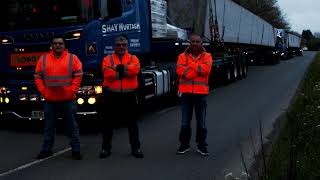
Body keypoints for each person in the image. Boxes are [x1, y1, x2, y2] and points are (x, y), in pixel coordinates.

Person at [34, 35, 83, 160]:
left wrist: (73, 90)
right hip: (50, 100)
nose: (57, 45)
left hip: (68, 99)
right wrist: (43, 91)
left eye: (60, 43)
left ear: (64, 45)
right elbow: (37, 76)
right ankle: (46, 150)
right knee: (49, 127)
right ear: (52, 45)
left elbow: (78, 74)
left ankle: (76, 150)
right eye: (55, 43)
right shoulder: (43, 59)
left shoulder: (73, 58)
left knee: (72, 126)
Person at [99, 35, 143, 159]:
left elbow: (135, 71)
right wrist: (125, 72)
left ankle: (136, 148)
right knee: (108, 124)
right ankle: (105, 149)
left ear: (127, 45)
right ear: (115, 46)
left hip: (129, 95)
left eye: (123, 44)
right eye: (118, 44)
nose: (121, 47)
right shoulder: (107, 59)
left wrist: (118, 70)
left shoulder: (134, 58)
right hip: (112, 95)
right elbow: (107, 73)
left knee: (132, 124)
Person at [176, 34, 213, 156]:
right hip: (186, 94)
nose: (195, 44)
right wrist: (198, 70)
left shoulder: (207, 56)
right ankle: (184, 145)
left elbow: (207, 70)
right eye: (193, 41)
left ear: (201, 43)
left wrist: (190, 67)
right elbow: (180, 71)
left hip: (201, 94)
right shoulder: (182, 56)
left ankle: (201, 145)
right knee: (185, 122)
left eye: (198, 42)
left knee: (201, 122)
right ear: (189, 43)